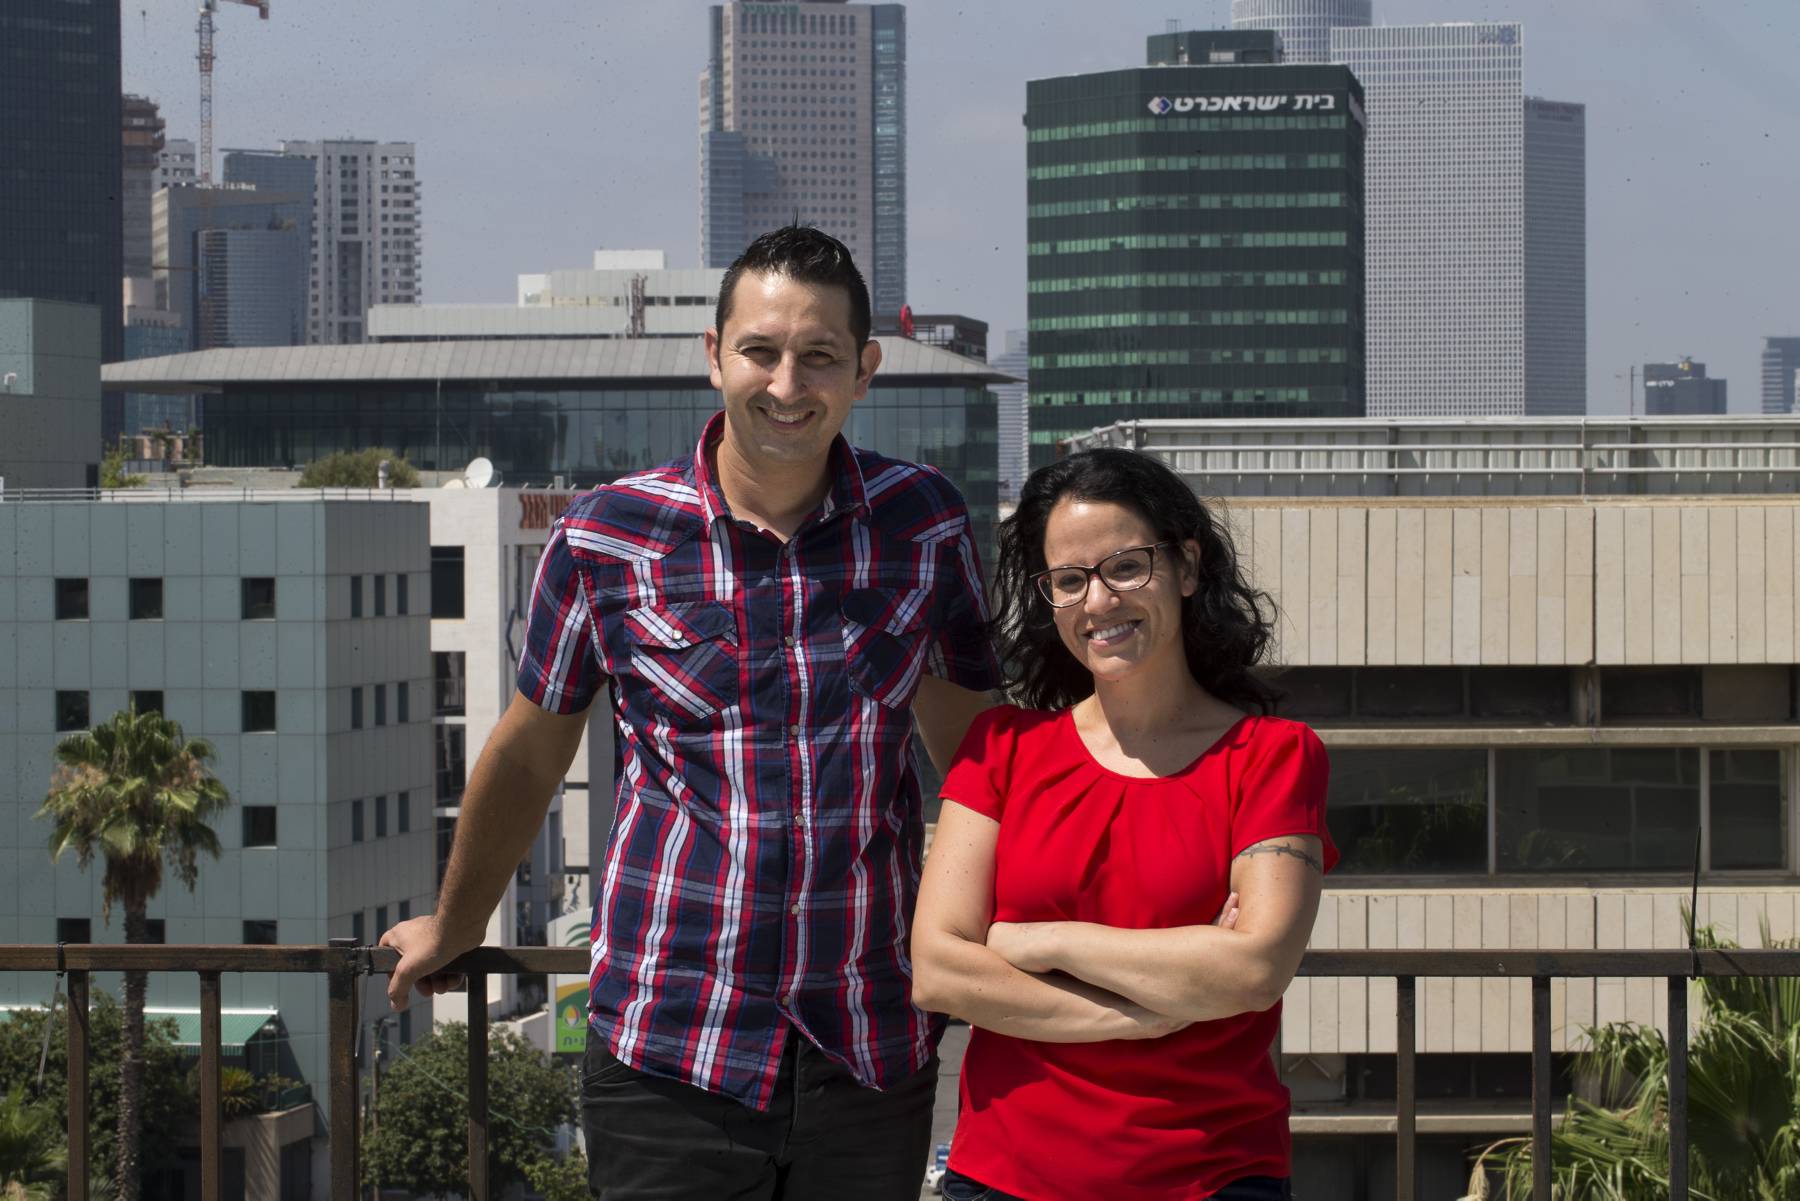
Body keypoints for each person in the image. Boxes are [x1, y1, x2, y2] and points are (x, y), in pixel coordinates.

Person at [379, 226, 1001, 1199]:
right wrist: (456, 924)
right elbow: (530, 753)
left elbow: (976, 754)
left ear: (865, 369)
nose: (786, 383)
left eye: (819, 355)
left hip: (868, 1043)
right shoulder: (607, 536)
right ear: (714, 356)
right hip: (672, 1050)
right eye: (760, 350)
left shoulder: (923, 522)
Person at [911, 447, 1335, 1201]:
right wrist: (1150, 1013)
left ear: (1188, 566)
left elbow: (1255, 969)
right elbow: (941, 970)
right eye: (1069, 580)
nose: (1099, 601)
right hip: (1005, 1178)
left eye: (1127, 567)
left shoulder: (1272, 756)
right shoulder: (1000, 749)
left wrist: (1036, 941)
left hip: (1212, 1178)